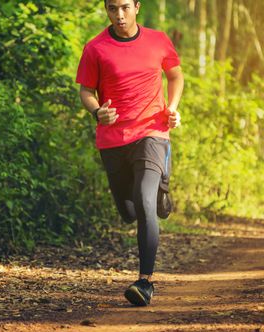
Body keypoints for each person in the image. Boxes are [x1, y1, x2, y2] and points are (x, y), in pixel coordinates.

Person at [75, 0, 184, 306]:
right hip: (113, 140)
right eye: (112, 9)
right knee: (129, 211)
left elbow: (175, 76)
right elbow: (86, 90)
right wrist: (98, 112)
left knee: (144, 199)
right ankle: (162, 190)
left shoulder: (158, 40)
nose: (119, 15)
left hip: (152, 132)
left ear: (137, 6)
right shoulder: (95, 48)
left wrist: (172, 109)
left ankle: (145, 282)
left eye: (124, 7)